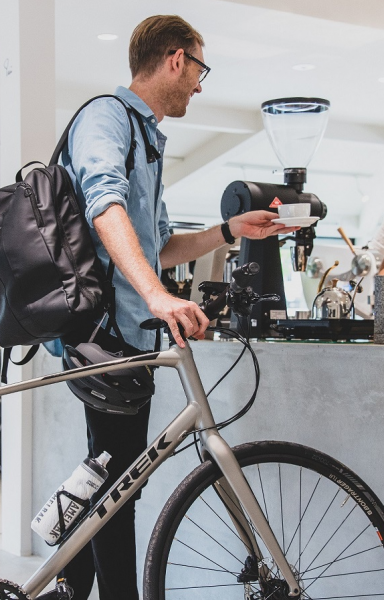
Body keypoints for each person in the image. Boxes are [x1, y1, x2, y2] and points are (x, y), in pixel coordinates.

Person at [57, 15, 299, 600]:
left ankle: (65, 588)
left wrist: (228, 229)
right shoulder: (107, 118)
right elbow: (104, 207)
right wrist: (159, 296)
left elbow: (158, 247)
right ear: (174, 59)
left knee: (112, 483)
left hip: (130, 337)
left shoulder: (146, 137)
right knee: (119, 492)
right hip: (104, 333)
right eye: (199, 68)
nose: (199, 83)